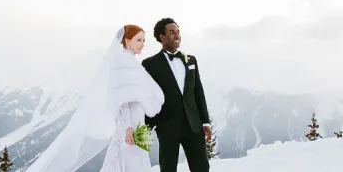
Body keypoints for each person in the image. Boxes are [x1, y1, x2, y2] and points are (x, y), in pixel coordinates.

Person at [23, 25, 165, 172]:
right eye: (139, 40)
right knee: (129, 159)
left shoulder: (131, 62)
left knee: (133, 159)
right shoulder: (122, 62)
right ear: (127, 41)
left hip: (137, 120)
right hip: (128, 123)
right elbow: (121, 99)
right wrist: (128, 127)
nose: (143, 44)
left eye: (143, 40)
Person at [142, 18, 211, 172]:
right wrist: (147, 125)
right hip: (167, 125)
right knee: (168, 168)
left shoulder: (191, 60)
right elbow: (147, 97)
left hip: (193, 125)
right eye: (172, 32)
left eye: (178, 32)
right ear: (162, 37)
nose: (177, 35)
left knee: (201, 167)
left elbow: (198, 92)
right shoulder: (149, 64)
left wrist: (205, 122)